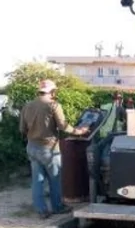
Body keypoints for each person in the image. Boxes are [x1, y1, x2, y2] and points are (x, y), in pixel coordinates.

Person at [19, 79, 90, 218]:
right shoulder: (53, 105)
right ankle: (57, 207)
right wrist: (80, 131)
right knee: (55, 179)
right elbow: (63, 127)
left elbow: (22, 129)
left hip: (32, 147)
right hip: (49, 149)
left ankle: (41, 211)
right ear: (52, 92)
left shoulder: (27, 106)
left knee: (37, 181)